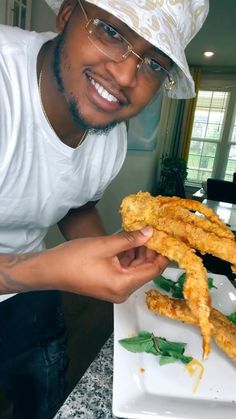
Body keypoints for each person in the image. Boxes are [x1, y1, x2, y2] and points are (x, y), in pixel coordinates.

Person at [0, 0, 209, 418]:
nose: (126, 75)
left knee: (45, 396)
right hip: (34, 274)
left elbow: (75, 203)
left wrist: (111, 249)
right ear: (65, 14)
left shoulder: (109, 137)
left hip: (30, 293)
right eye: (112, 32)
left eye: (154, 63)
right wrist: (44, 270)